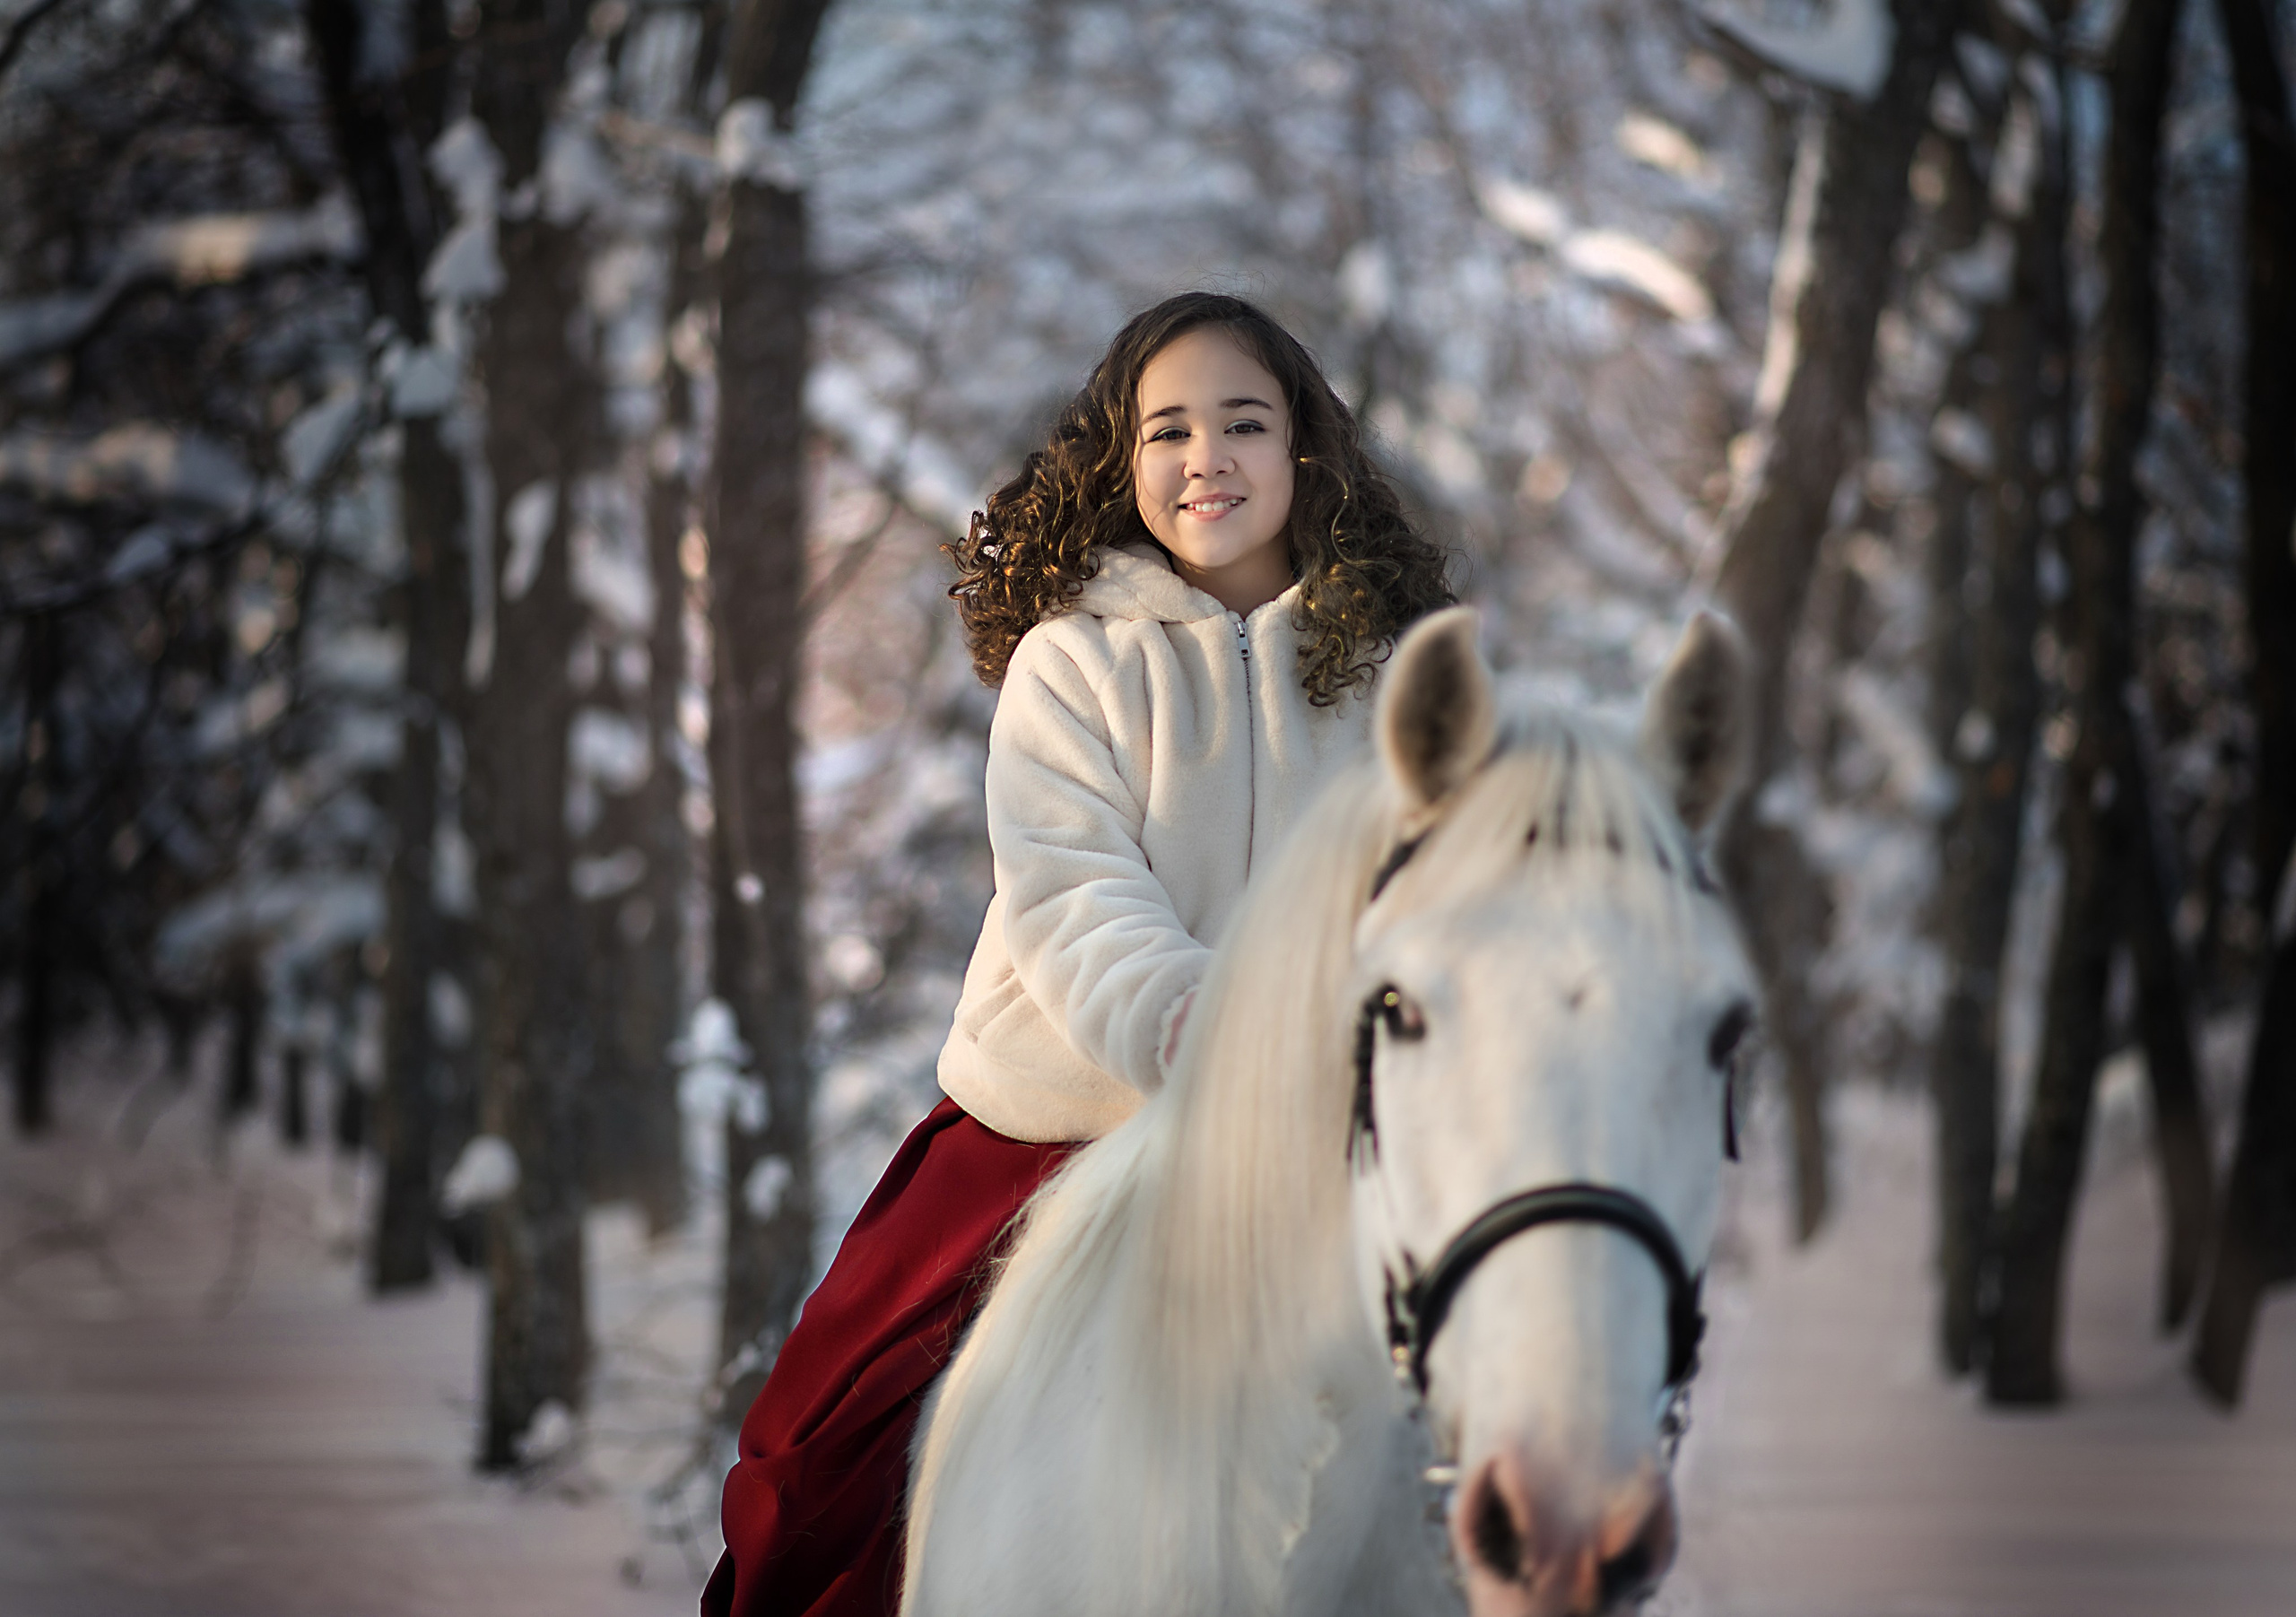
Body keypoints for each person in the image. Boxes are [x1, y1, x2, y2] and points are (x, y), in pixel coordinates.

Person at [702, 291, 1451, 1617]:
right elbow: (1074, 889)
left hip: (1331, 1129)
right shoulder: (1073, 664)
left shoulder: (1389, 676)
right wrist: (1203, 1031)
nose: (1204, 458)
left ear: (1305, 454)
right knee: (825, 1436)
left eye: (1243, 423)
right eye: (1166, 431)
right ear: (1124, 462)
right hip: (1065, 1114)